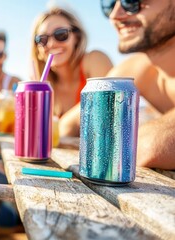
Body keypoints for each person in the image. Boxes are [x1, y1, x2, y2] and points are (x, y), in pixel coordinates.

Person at [60, 0, 175, 169]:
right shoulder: (138, 68)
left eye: (131, 1)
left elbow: (155, 145)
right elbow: (69, 125)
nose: (115, 15)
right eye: (109, 4)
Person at [31, 7, 113, 118]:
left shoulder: (94, 60)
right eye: (42, 39)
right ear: (37, 49)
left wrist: (62, 126)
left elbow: (109, 107)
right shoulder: (41, 86)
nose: (51, 44)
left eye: (61, 34)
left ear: (76, 38)